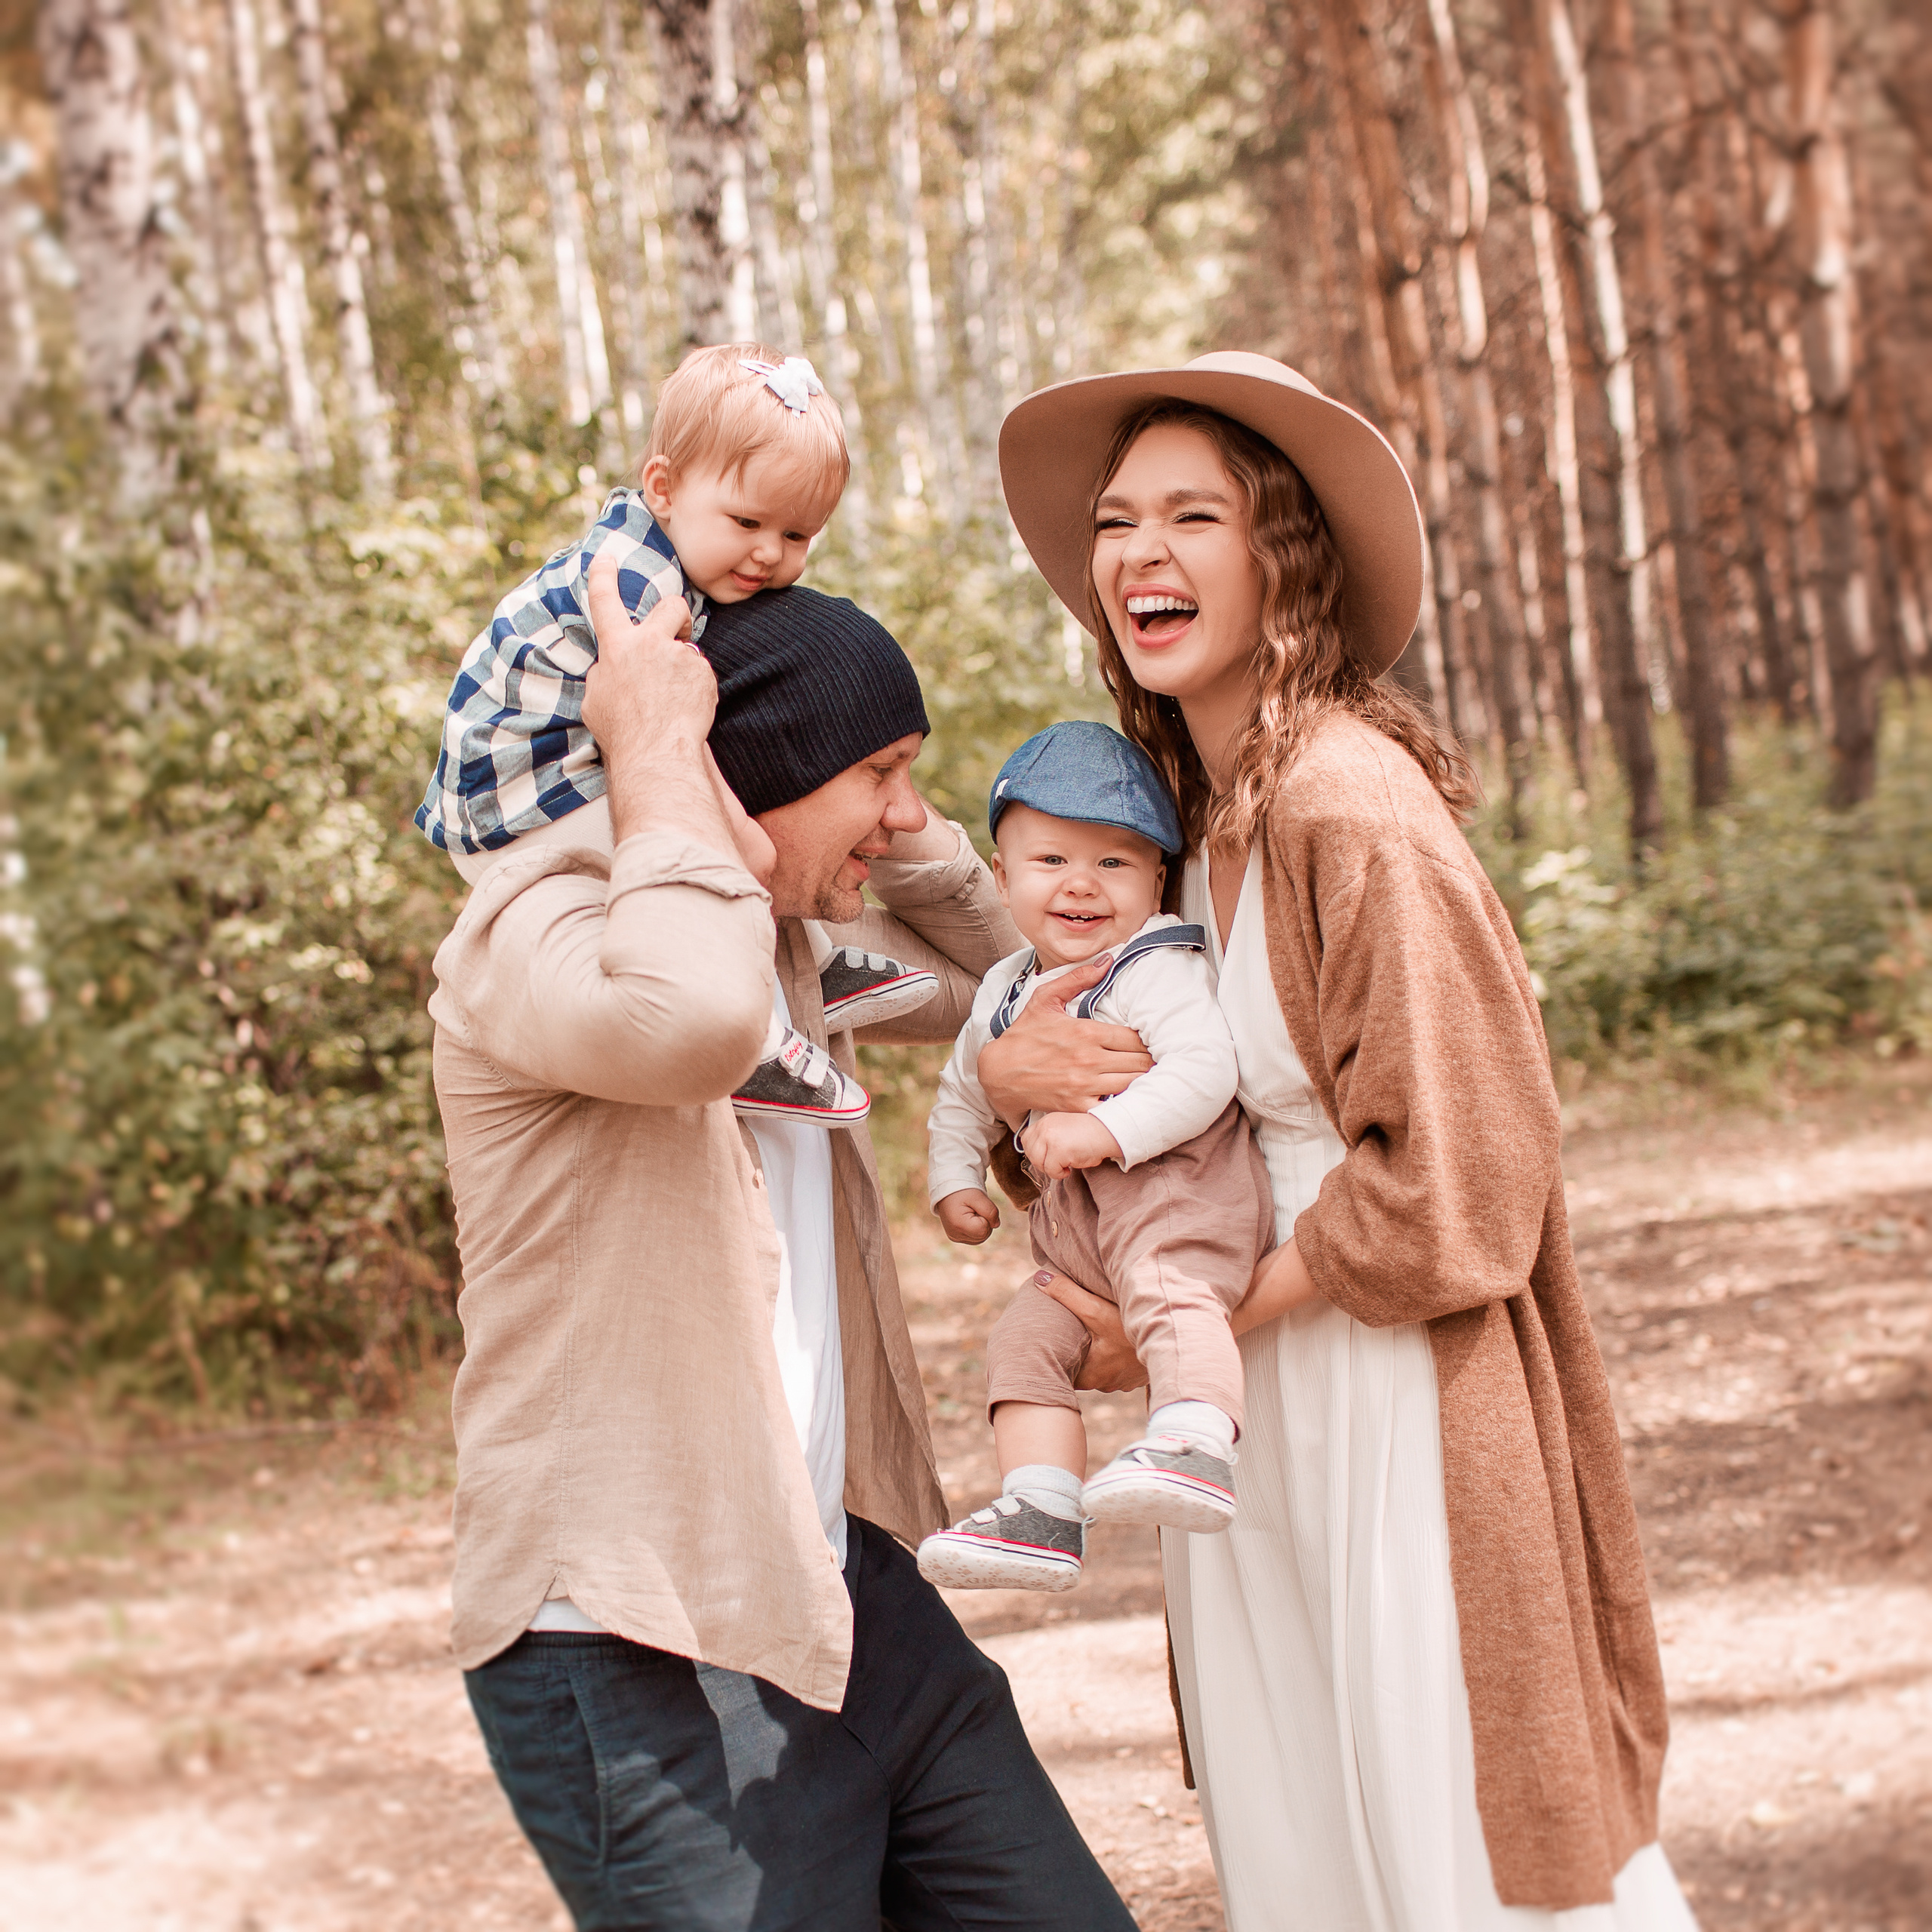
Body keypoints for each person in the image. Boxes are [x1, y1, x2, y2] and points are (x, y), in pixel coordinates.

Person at [981, 351, 1700, 1929]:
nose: (1138, 555)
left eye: (1193, 515)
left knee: (1442, 1823)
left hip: (1389, 1388)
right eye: (1115, 522)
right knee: (1300, 1827)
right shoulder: (1188, 810)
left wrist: (1188, 1327)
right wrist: (1005, 1089)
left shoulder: (1342, 806)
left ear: (1279, 553)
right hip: (1249, 1398)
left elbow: (1464, 1179)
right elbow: (1125, 1084)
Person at [429, 553, 1136, 1930]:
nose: (908, 811)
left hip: (839, 1594)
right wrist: (660, 754)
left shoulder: (783, 936)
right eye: (876, 770)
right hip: (643, 1639)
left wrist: (855, 815)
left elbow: (998, 967)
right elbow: (691, 1022)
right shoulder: (536, 926)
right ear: (740, 768)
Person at [417, 340, 935, 1125]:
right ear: (664, 488)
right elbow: (665, 725)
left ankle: (810, 973)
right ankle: (756, 1040)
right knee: (723, 858)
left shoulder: (683, 563)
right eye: (748, 521)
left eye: (798, 536)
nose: (768, 553)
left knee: (725, 850)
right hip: (526, 793)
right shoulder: (635, 587)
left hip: (565, 766)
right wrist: (736, 829)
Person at [915, 719, 1274, 1594]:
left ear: (1158, 877)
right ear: (1001, 876)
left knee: (1168, 1286)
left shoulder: (1154, 966)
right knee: (1024, 1340)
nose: (1081, 885)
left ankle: (1192, 1442)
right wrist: (954, 1181)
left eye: (1114, 862)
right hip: (1075, 1233)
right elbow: (960, 1096)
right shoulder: (1002, 990)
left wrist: (1104, 1131)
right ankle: (1040, 1505)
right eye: (1049, 862)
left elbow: (1205, 1070)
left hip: (1176, 1193)